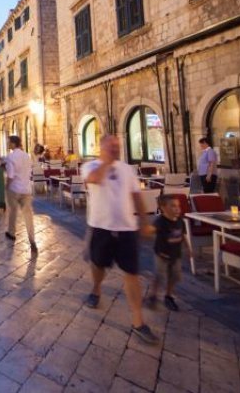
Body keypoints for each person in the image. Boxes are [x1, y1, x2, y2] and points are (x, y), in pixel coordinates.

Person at [82, 134, 158, 343]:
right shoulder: (90, 166)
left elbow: (136, 196)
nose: (116, 149)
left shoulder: (127, 169)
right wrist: (107, 162)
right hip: (100, 227)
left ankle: (138, 321)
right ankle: (96, 288)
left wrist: (144, 221)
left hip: (127, 229)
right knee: (98, 265)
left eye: (118, 146)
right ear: (102, 147)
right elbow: (93, 180)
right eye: (111, 146)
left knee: (131, 273)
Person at [145, 194, 190, 312]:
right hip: (162, 254)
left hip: (176, 255)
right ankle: (153, 296)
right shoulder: (160, 222)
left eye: (178, 206)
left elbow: (183, 236)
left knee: (175, 276)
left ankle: (168, 296)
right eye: (173, 206)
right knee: (159, 276)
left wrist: (188, 249)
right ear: (163, 208)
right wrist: (145, 230)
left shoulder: (180, 221)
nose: (177, 209)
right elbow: (151, 230)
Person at [5, 135, 37, 253]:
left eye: (9, 142)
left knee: (13, 211)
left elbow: (11, 176)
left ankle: (11, 233)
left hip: (14, 189)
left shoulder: (11, 157)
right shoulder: (27, 156)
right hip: (26, 189)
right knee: (28, 214)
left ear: (13, 144)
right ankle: (32, 239)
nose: (8, 144)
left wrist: (7, 186)